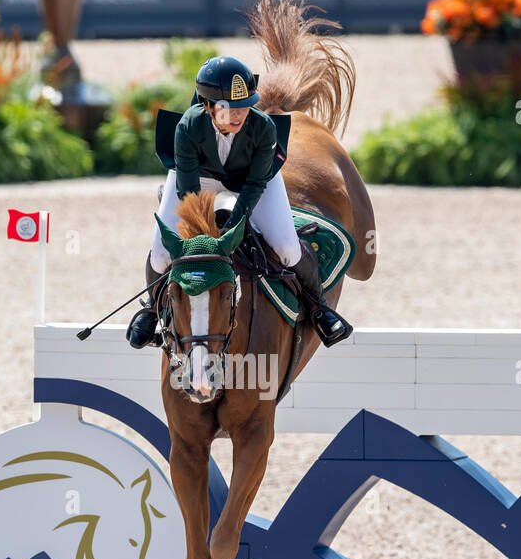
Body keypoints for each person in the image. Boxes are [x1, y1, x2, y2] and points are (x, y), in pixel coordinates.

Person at [126, 56, 352, 349]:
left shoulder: (263, 127)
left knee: (286, 248)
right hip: (197, 180)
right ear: (208, 106)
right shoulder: (188, 127)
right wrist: (207, 236)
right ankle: (151, 309)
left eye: (245, 105)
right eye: (228, 108)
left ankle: (320, 307)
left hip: (252, 180)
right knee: (160, 254)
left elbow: (255, 185)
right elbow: (190, 193)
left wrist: (233, 228)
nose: (239, 114)